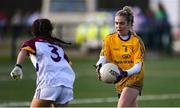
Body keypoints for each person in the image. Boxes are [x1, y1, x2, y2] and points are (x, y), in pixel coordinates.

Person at [10, 18, 75, 107]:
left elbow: (24, 50)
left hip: (49, 83)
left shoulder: (34, 42)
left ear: (34, 31)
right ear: (50, 30)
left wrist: (18, 66)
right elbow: (67, 64)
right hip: (67, 83)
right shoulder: (57, 46)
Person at [96, 6, 145, 107]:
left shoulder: (136, 41)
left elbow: (138, 66)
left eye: (122, 23)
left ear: (129, 25)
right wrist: (99, 65)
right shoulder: (109, 39)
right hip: (119, 79)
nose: (118, 26)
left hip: (134, 78)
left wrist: (125, 73)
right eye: (116, 23)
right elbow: (103, 57)